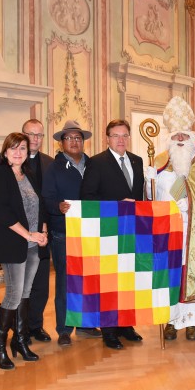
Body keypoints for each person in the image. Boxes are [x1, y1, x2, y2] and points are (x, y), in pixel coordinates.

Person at [145, 97, 195, 341]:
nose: (180, 140)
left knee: (191, 274)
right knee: (171, 276)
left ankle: (192, 323)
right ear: (170, 138)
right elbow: (150, 200)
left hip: (193, 230)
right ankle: (171, 322)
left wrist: (190, 204)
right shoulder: (158, 162)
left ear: (191, 136)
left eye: (184, 136)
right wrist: (149, 181)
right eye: (176, 136)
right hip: (167, 232)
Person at [80, 119, 145, 350]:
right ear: (107, 138)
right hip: (107, 232)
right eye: (116, 135)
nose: (120, 140)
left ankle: (126, 325)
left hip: (132, 232)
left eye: (125, 135)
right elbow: (87, 197)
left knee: (128, 281)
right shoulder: (97, 163)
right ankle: (108, 331)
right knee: (109, 283)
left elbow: (140, 196)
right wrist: (117, 204)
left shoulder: (137, 161)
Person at [0, 133, 49, 369]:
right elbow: (2, 213)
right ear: (5, 152)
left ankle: (20, 342)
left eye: (22, 148)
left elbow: (40, 205)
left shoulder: (29, 174)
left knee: (26, 293)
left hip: (34, 244)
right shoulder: (0, 175)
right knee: (13, 295)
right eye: (13, 148)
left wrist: (41, 232)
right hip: (14, 244)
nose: (18, 152)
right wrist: (28, 235)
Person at [43, 119, 101, 346]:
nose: (74, 142)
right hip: (63, 233)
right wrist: (57, 207)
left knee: (89, 280)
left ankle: (86, 325)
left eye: (78, 138)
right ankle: (65, 328)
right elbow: (46, 198)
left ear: (84, 141)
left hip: (91, 232)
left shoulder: (94, 165)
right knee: (66, 282)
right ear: (61, 143)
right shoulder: (53, 168)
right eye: (69, 138)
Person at [21, 119, 55, 343]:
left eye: (39, 135)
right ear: (22, 134)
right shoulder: (10, 161)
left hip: (43, 234)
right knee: (21, 286)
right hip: (19, 235)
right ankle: (20, 329)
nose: (35, 139)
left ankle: (36, 326)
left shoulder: (49, 163)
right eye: (31, 134)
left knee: (41, 285)